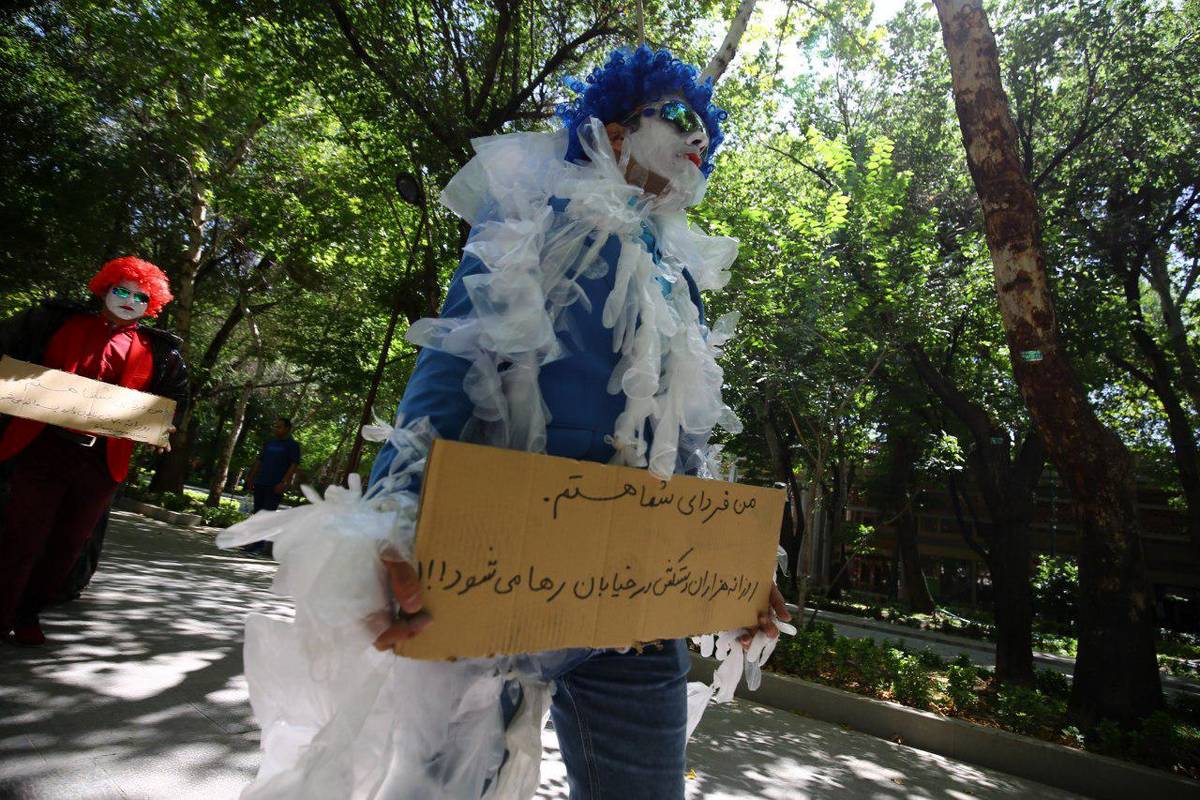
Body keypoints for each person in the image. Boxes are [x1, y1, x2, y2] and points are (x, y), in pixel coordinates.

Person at [217, 46, 790, 799]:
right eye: (680, 116)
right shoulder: (537, 212)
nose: (698, 140)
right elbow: (454, 362)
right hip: (494, 562)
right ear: (616, 132)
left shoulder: (680, 275)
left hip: (636, 590)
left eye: (707, 133)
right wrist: (395, 514)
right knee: (445, 789)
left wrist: (729, 569)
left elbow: (684, 442)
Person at [0, 256, 188, 646]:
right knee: (21, 538)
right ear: (105, 289)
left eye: (141, 296)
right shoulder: (53, 322)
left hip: (102, 462)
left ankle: (29, 613)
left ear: (152, 303)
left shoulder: (160, 352)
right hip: (43, 448)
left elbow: (174, 400)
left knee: (68, 545)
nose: (130, 301)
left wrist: (167, 425)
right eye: (122, 291)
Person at [246, 417, 301, 514]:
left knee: (267, 514)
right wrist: (250, 478)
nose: (276, 429)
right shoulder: (269, 443)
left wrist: (283, 483)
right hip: (260, 483)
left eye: (279, 427)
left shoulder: (293, 445)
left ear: (287, 429)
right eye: (275, 427)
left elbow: (293, 466)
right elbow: (259, 461)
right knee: (257, 513)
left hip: (275, 486)